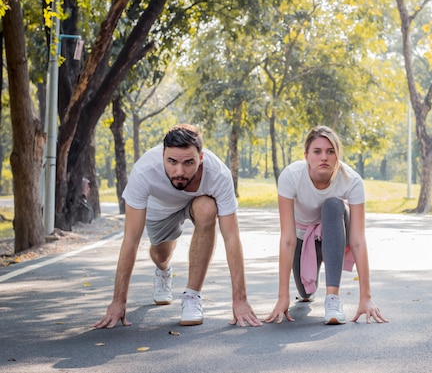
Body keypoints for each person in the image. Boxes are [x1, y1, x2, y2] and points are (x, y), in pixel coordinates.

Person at [94, 124, 261, 329]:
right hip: (161, 210)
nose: (179, 171)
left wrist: (240, 299)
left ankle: (192, 296)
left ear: (201, 158)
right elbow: (131, 240)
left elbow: (231, 237)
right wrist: (118, 301)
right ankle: (163, 271)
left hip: (197, 204)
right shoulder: (144, 171)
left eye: (189, 163)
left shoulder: (219, 174)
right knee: (161, 256)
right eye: (172, 162)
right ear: (162, 155)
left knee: (207, 208)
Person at [264, 125, 388, 325]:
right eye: (317, 151)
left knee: (332, 205)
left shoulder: (352, 180)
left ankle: (332, 299)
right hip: (302, 239)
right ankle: (309, 282)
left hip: (334, 234)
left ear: (338, 155)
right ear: (306, 155)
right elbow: (287, 239)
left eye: (331, 152)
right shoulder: (291, 176)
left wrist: (366, 297)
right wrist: (282, 296)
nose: (324, 157)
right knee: (305, 293)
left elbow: (357, 240)